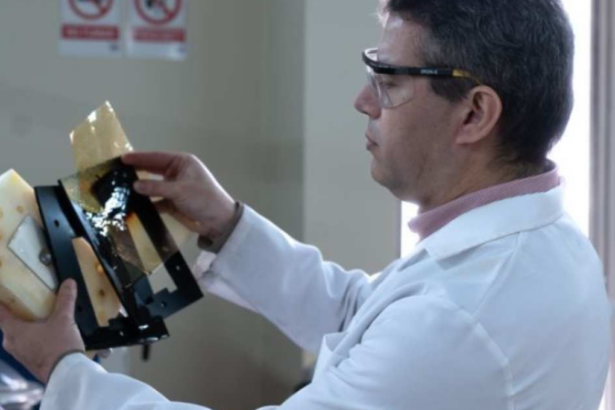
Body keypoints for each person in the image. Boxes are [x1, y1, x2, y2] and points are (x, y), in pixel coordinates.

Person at [0, 0, 611, 409]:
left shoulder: (461, 319)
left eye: (388, 82)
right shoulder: (544, 247)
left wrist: (65, 372)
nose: (362, 102)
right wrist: (227, 226)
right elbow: (360, 316)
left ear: (474, 114)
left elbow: (414, 333)